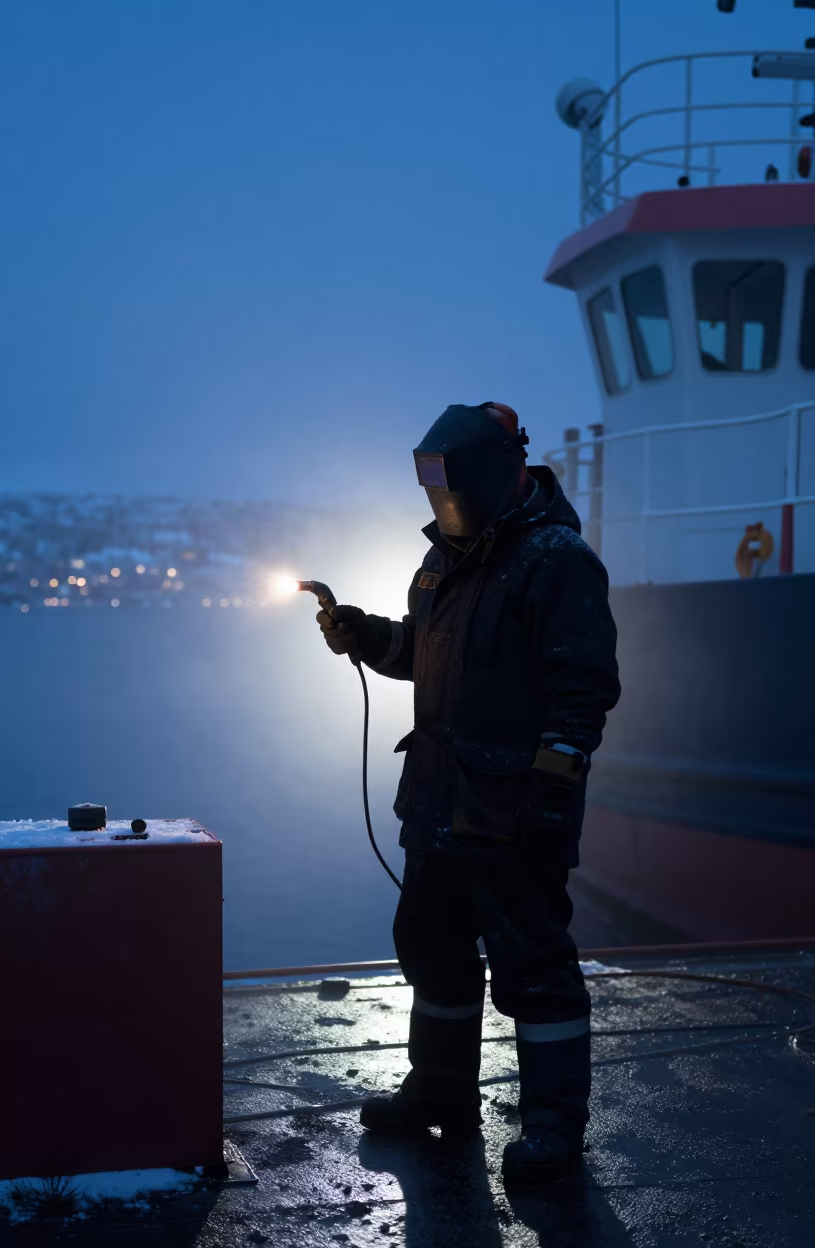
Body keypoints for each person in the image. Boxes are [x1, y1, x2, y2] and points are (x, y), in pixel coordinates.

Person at [316, 402, 620, 1186]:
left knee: (535, 966)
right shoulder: (445, 560)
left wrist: (552, 789)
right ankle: (441, 1092)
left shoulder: (556, 560)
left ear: (496, 472)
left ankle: (554, 1124)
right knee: (433, 953)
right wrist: (363, 633)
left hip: (511, 813)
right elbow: (424, 653)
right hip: (437, 803)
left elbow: (582, 689)